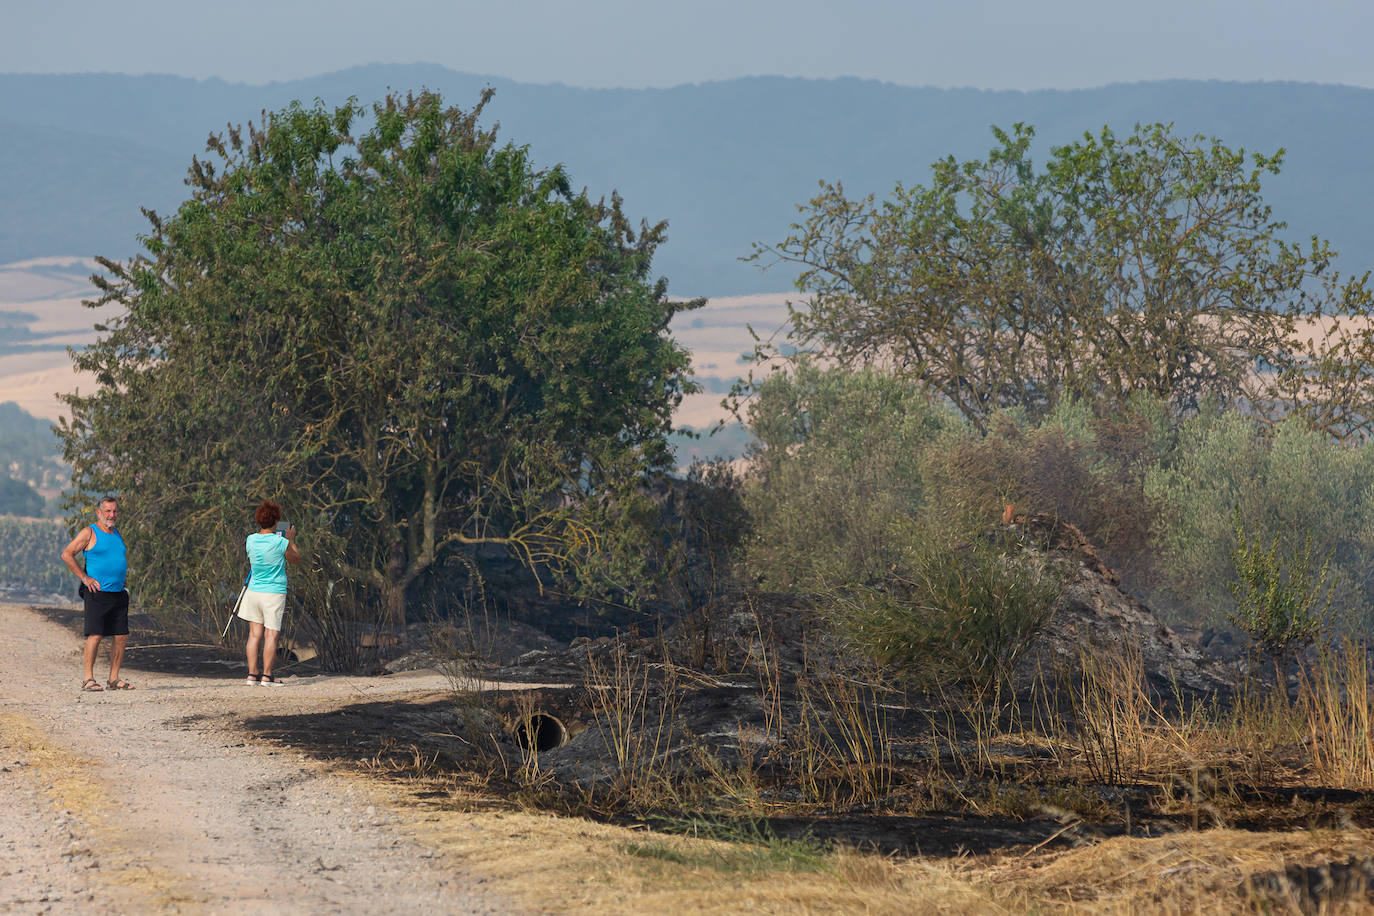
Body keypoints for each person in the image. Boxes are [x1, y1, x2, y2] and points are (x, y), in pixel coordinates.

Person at [60, 496, 132, 692]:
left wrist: (122, 578)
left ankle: (114, 679)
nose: (112, 515)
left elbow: (115, 558)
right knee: (96, 635)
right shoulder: (89, 532)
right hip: (97, 593)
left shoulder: (117, 533)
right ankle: (88, 679)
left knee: (121, 636)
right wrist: (84, 577)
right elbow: (67, 554)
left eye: (115, 511)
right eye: (107, 511)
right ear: (99, 513)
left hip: (118, 593)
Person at [239, 500, 301, 686]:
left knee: (254, 635)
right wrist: (290, 539)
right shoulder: (280, 542)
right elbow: (296, 559)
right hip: (273, 593)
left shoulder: (250, 539)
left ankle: (252, 675)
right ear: (276, 520)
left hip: (254, 592)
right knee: (271, 635)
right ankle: (267, 676)